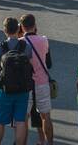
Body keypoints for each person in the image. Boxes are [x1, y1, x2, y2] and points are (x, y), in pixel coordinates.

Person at [0, 17, 33, 145]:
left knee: (0, 121)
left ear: (5, 30)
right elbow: (30, 66)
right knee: (20, 121)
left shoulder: (1, 45)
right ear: (18, 29)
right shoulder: (25, 46)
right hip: (22, 89)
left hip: (5, 89)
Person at [21, 13, 54, 145]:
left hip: (26, 84)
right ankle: (49, 142)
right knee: (46, 116)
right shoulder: (44, 40)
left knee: (24, 118)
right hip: (42, 82)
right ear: (34, 25)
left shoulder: (20, 43)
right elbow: (49, 63)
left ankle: (22, 142)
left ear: (22, 27)